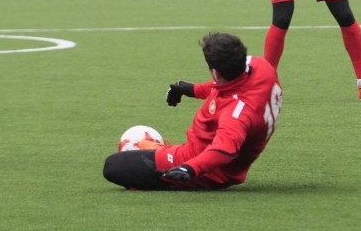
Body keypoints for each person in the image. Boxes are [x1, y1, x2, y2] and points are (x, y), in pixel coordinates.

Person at [102, 32, 282, 190]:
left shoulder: (237, 114)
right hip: (199, 151)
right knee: (132, 161)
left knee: (113, 166)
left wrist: (190, 168)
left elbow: (224, 150)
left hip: (207, 168)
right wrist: (190, 89)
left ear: (216, 73)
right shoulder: (260, 66)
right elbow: (224, 87)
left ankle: (168, 173)